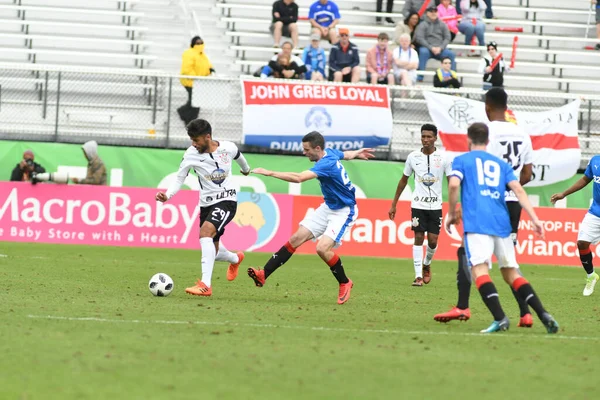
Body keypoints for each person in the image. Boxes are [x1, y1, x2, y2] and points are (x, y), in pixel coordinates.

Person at [434, 88, 536, 328]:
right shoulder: (522, 133)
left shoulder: (487, 134)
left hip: (489, 203)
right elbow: (528, 174)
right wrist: (511, 188)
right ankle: (525, 313)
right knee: (508, 261)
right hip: (513, 204)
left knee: (466, 250)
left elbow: (478, 170)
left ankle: (462, 305)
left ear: (487, 107)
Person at [445, 122, 559, 334]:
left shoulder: (461, 160)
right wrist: (535, 219)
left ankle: (500, 318)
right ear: (488, 141)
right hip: (502, 222)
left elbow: (453, 185)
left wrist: (452, 213)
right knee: (511, 273)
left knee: (478, 268)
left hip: (477, 222)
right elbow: (518, 189)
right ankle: (543, 313)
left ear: (468, 139)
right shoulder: (500, 164)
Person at [247, 131, 374, 304]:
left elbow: (299, 178)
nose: (304, 152)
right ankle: (263, 275)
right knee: (296, 238)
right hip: (328, 206)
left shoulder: (325, 164)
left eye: (307, 150)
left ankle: (345, 282)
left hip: (344, 210)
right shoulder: (330, 152)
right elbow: (346, 154)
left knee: (322, 249)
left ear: (317, 148)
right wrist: (358, 153)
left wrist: (269, 172)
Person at [155, 119, 250, 297]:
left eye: (196, 140)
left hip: (227, 201)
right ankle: (236, 259)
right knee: (212, 251)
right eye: (191, 139)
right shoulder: (191, 154)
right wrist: (167, 195)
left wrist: (246, 169)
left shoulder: (227, 147)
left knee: (205, 233)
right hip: (206, 204)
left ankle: (205, 285)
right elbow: (179, 178)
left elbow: (238, 156)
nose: (193, 143)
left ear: (207, 137)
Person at [388, 124, 451, 286]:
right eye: (423, 136)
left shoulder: (444, 158)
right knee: (418, 236)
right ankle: (417, 276)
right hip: (418, 205)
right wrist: (394, 204)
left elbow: (452, 182)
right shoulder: (413, 157)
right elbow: (403, 180)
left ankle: (427, 263)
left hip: (436, 206)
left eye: (429, 137)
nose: (425, 140)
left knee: (433, 241)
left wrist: (454, 204)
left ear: (435, 138)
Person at [551, 159, 600, 296]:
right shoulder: (595, 161)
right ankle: (591, 275)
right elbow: (584, 180)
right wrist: (564, 194)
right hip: (595, 213)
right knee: (582, 243)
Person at [178, 36, 214, 125]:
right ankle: (188, 118)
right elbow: (187, 68)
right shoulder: (189, 53)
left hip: (199, 82)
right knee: (195, 102)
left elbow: (207, 65)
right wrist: (196, 78)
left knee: (195, 101)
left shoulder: (202, 55)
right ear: (193, 44)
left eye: (201, 43)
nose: (200, 44)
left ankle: (185, 114)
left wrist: (210, 70)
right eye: (198, 43)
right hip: (190, 81)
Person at [415, 7, 456, 82]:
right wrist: (431, 47)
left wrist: (441, 47)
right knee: (423, 52)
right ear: (427, 13)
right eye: (431, 11)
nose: (433, 13)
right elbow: (420, 38)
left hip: (440, 49)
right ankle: (420, 76)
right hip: (427, 48)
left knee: (451, 54)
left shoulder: (442, 24)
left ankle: (452, 76)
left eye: (435, 11)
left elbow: (447, 37)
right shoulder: (422, 25)